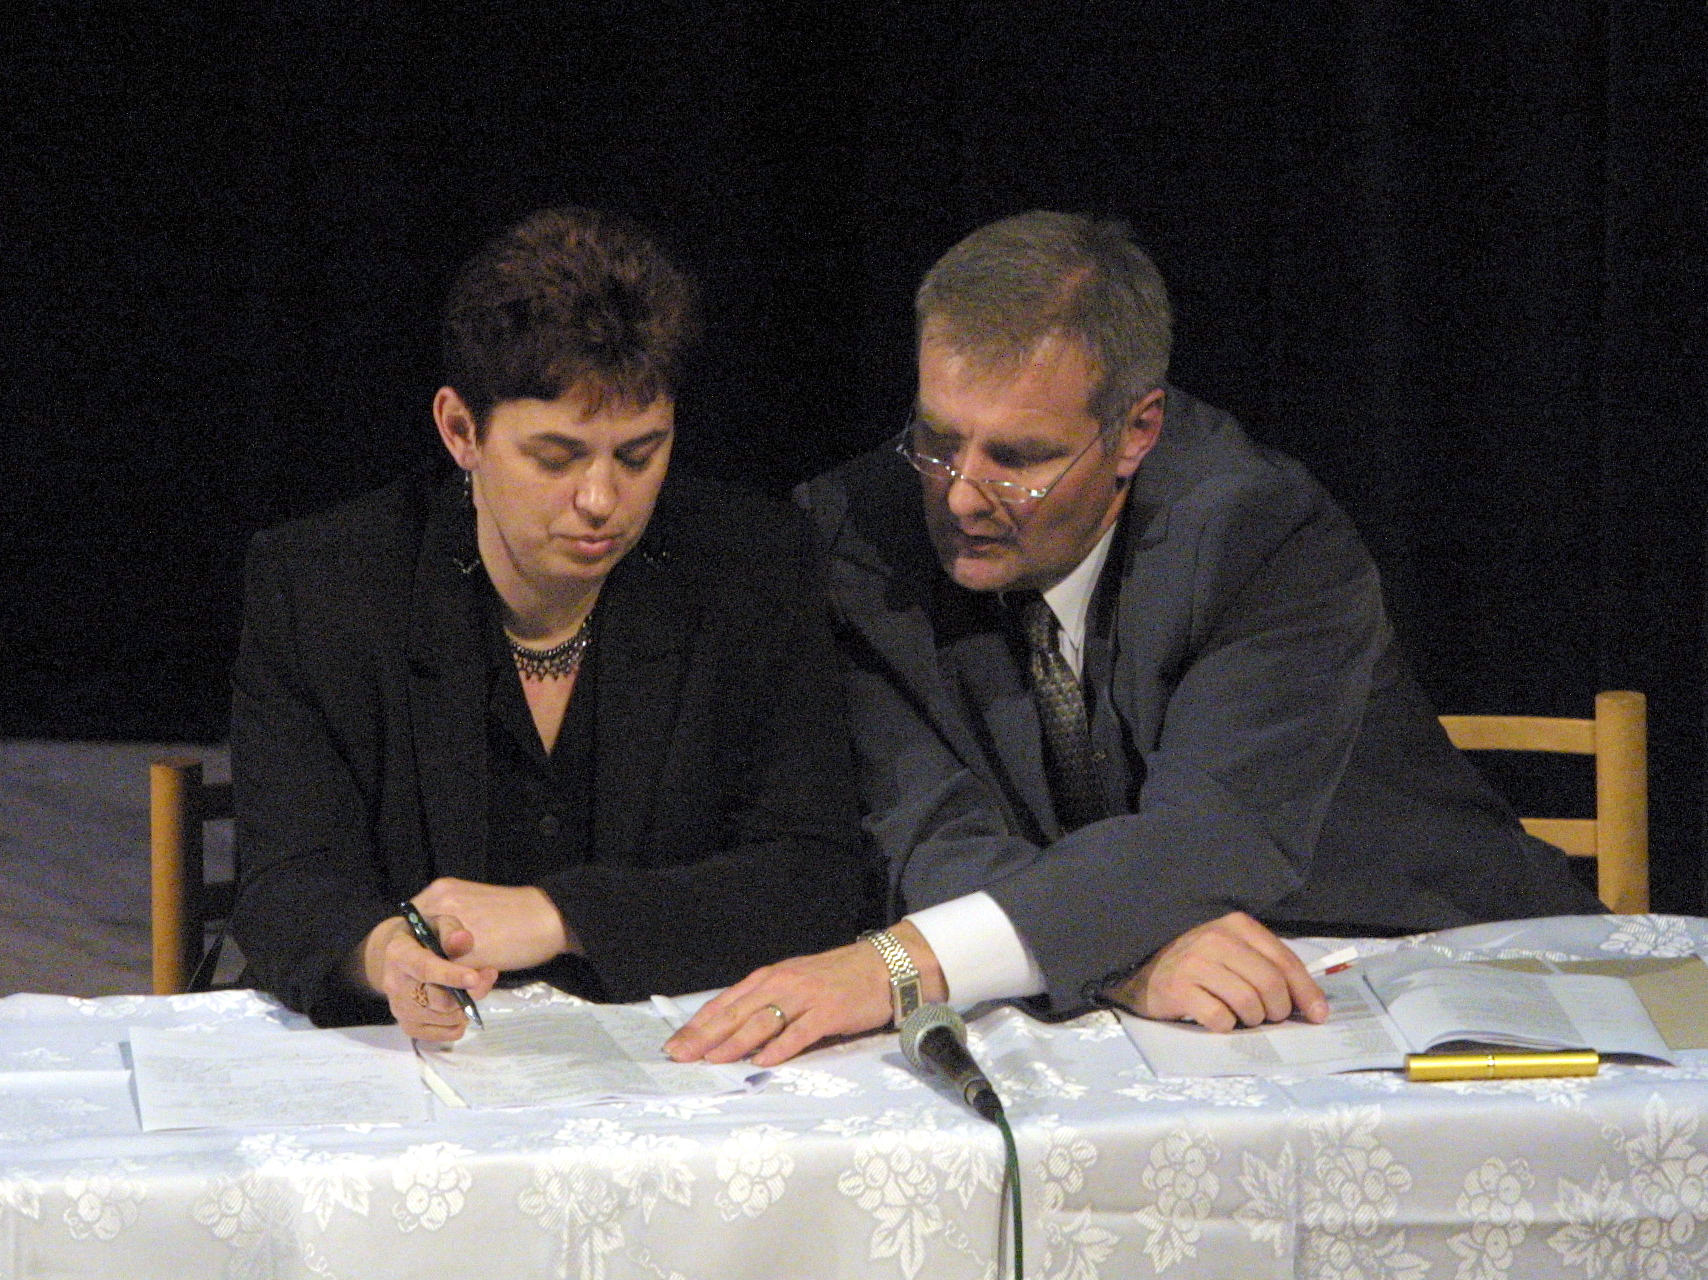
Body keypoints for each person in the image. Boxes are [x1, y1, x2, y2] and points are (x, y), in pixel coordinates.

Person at [666, 210, 1601, 1068]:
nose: (960, 495)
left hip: (1434, 974)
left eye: (1018, 459)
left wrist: (900, 965)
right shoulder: (859, 533)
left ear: (1135, 432)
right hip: (1157, 1010)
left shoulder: (1259, 533)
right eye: (939, 440)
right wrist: (1116, 955)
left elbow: (1208, 837)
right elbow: (920, 823)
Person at [230, 206, 868, 1040]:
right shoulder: (326, 585)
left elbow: (815, 876)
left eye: (639, 455)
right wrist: (385, 954)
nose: (601, 500)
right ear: (461, 430)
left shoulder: (753, 566)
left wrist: (559, 916)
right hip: (401, 1057)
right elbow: (284, 883)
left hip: (665, 1056)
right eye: (556, 458)